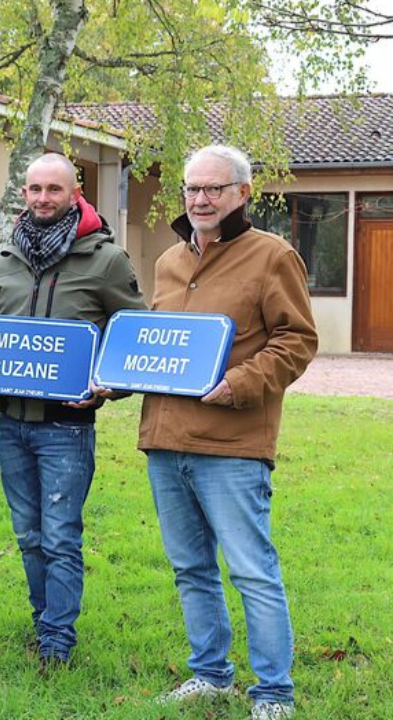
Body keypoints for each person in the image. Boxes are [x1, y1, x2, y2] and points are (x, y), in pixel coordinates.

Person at [142, 145, 317, 720]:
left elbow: (296, 340)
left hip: (233, 446)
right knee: (191, 568)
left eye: (214, 189)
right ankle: (211, 675)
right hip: (167, 441)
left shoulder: (273, 256)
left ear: (243, 193)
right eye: (193, 188)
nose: (200, 199)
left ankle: (273, 693)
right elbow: (153, 346)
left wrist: (239, 383)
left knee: (251, 569)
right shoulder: (169, 261)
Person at [0, 153, 146, 668]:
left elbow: (132, 338)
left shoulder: (106, 258)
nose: (43, 198)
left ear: (76, 194)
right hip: (10, 423)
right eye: (34, 189)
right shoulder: (3, 255)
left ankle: (57, 640)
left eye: (54, 189)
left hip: (67, 428)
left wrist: (107, 389)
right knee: (28, 536)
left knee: (60, 536)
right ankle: (42, 620)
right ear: (24, 194)